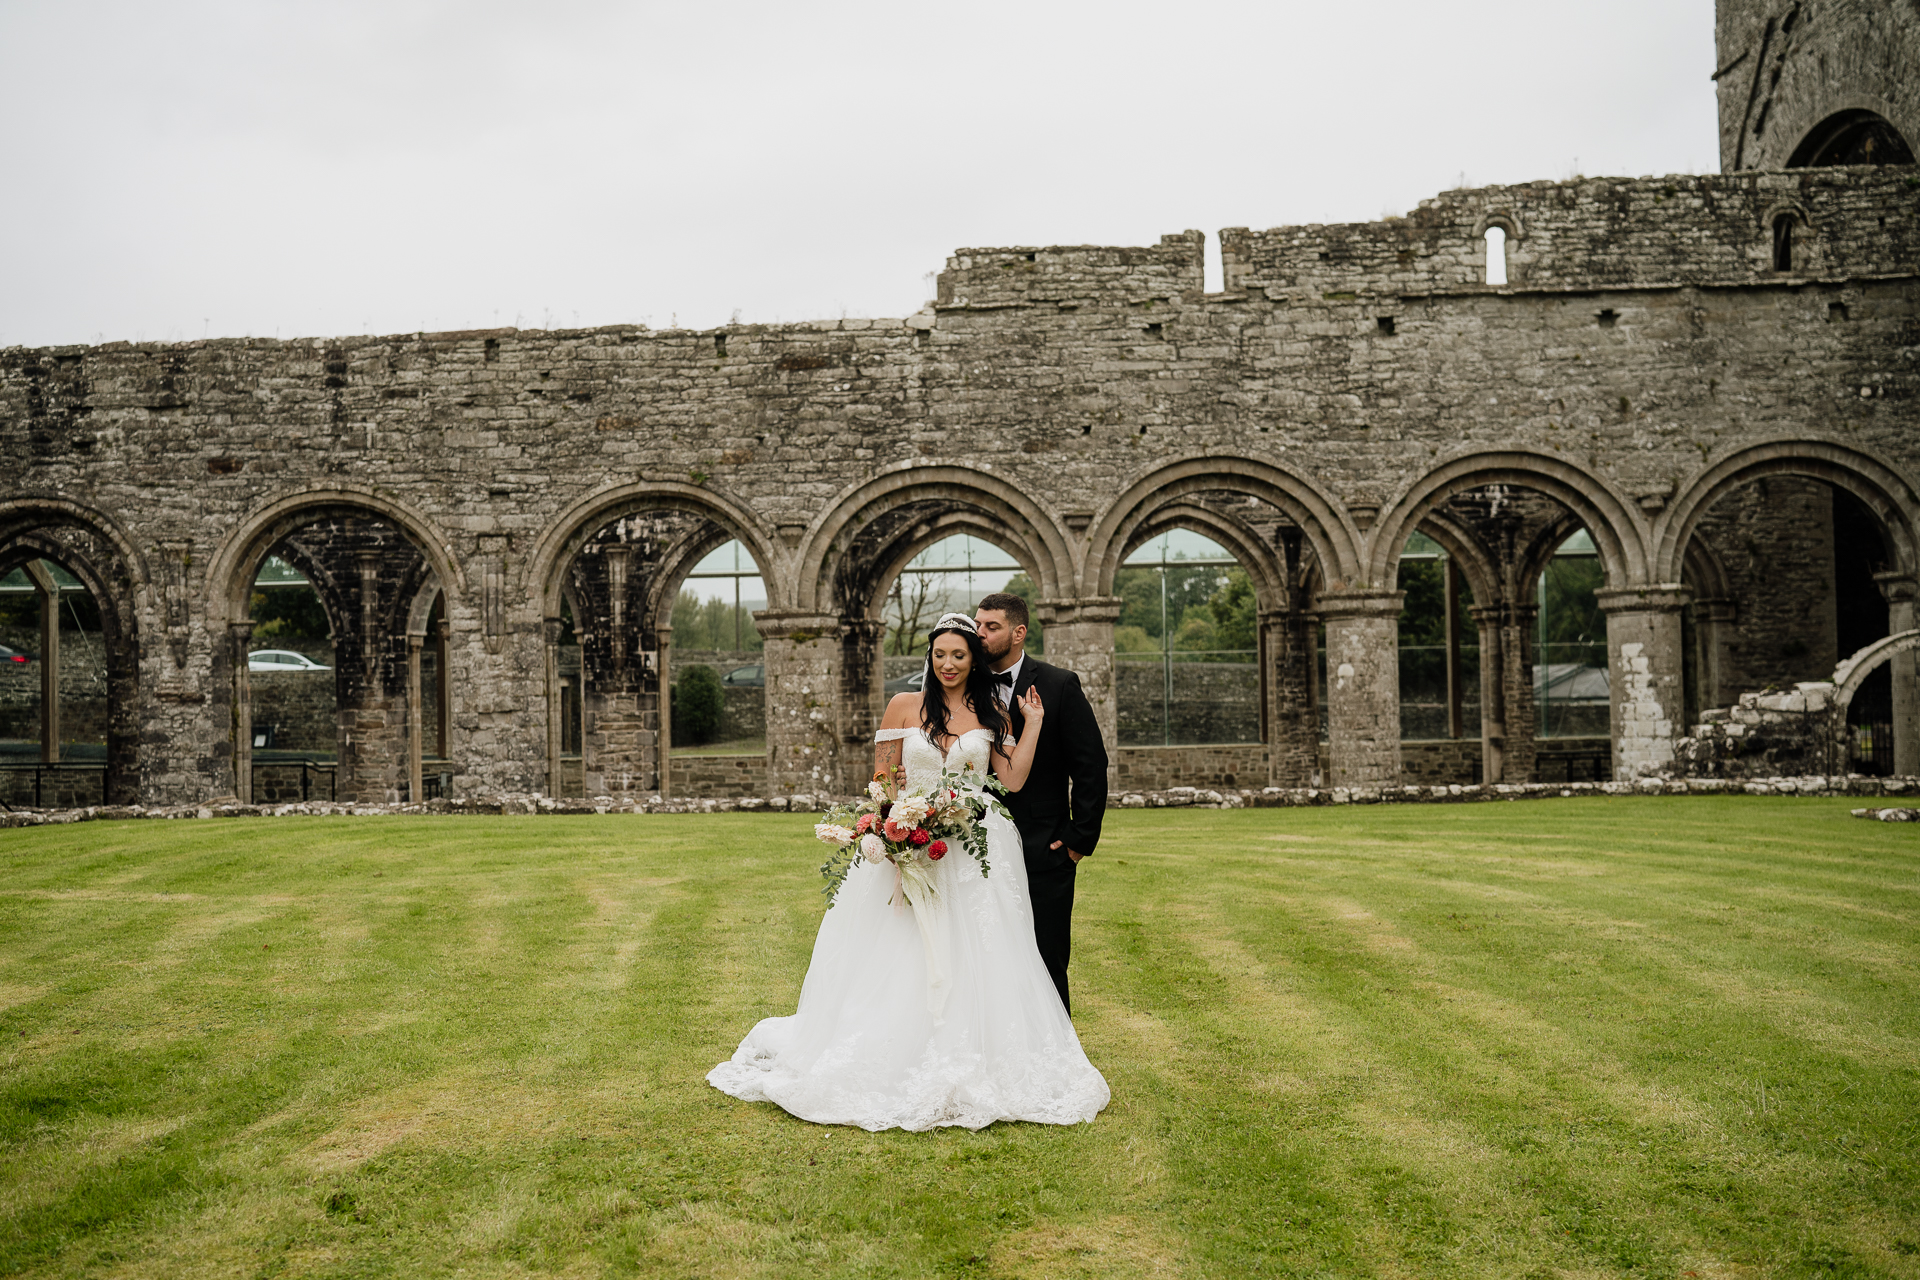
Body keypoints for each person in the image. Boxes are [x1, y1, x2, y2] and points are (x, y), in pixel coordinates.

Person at [707, 613, 1109, 1131]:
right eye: (939, 654)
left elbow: (1011, 777)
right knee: (901, 951)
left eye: (958, 655)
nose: (947, 664)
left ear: (973, 658)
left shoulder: (993, 711)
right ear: (929, 655)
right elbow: (884, 777)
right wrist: (893, 832)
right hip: (909, 839)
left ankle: (979, 1052)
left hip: (972, 848)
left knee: (980, 949)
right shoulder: (902, 706)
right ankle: (892, 1050)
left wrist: (1031, 725)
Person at [973, 592, 1108, 1014]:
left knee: (1047, 960)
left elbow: (1090, 765)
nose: (980, 634)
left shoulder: (1058, 684)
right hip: (974, 848)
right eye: (977, 624)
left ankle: (1058, 1062)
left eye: (990, 627)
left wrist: (1078, 838)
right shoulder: (961, 686)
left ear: (1019, 632)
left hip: (1044, 849)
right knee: (981, 960)